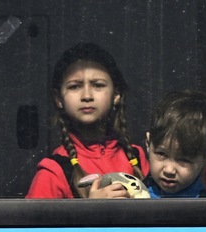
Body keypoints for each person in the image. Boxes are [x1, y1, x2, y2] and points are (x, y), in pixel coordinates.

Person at [26, 43, 149, 198]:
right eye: (74, 86)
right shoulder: (54, 170)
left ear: (116, 94)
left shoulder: (137, 156)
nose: (86, 96)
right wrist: (90, 212)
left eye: (98, 85)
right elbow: (32, 222)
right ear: (58, 99)